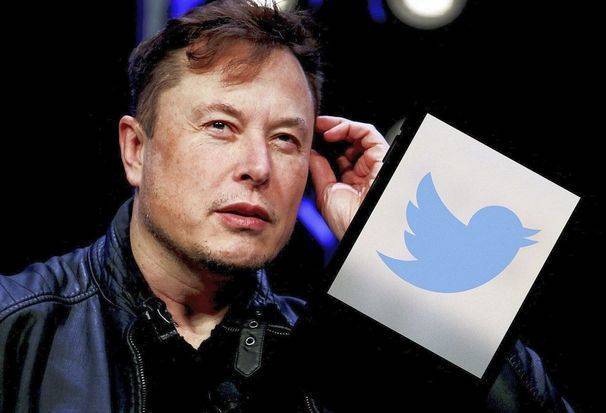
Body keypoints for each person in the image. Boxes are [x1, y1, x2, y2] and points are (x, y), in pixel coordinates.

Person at [0, 1, 573, 412]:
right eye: (220, 126)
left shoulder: (349, 361)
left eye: (285, 139)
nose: (258, 166)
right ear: (136, 149)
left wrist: (388, 231)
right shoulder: (17, 327)